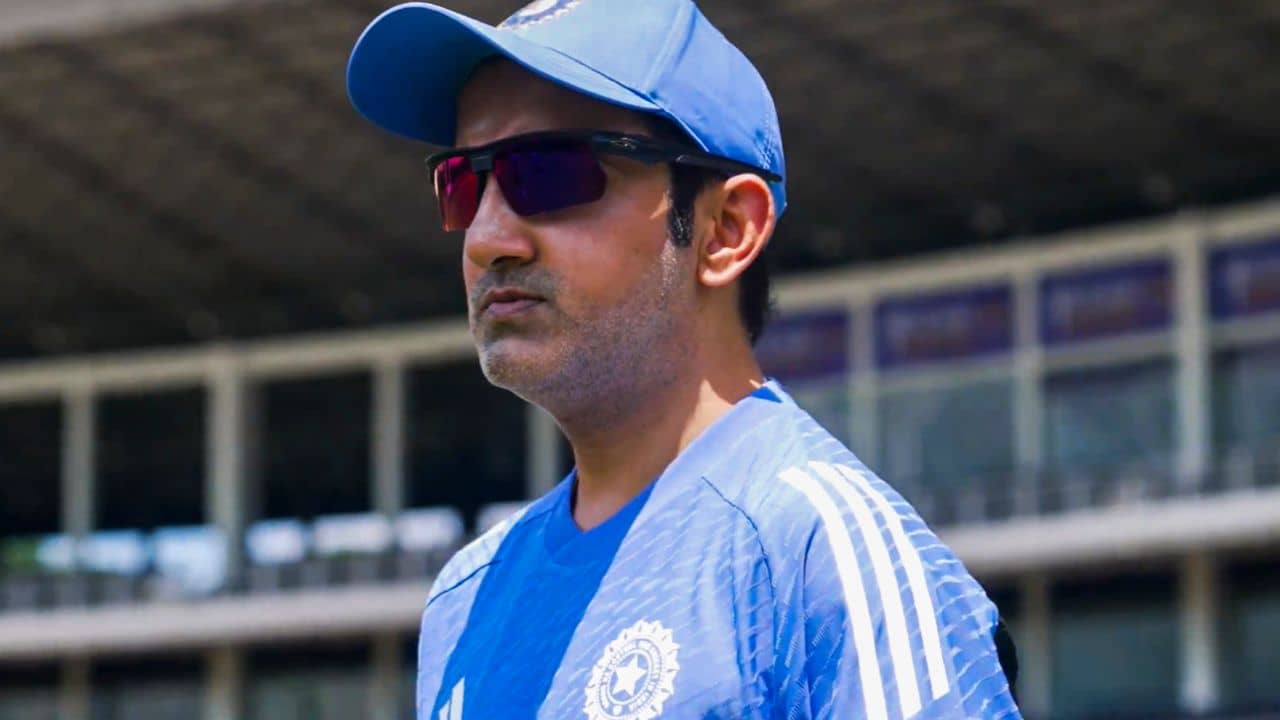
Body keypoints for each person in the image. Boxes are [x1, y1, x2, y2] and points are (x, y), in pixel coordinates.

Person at [347, 1, 1022, 718]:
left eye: (548, 173)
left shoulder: (819, 548)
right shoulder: (465, 599)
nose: (486, 238)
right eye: (463, 182)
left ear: (726, 229)